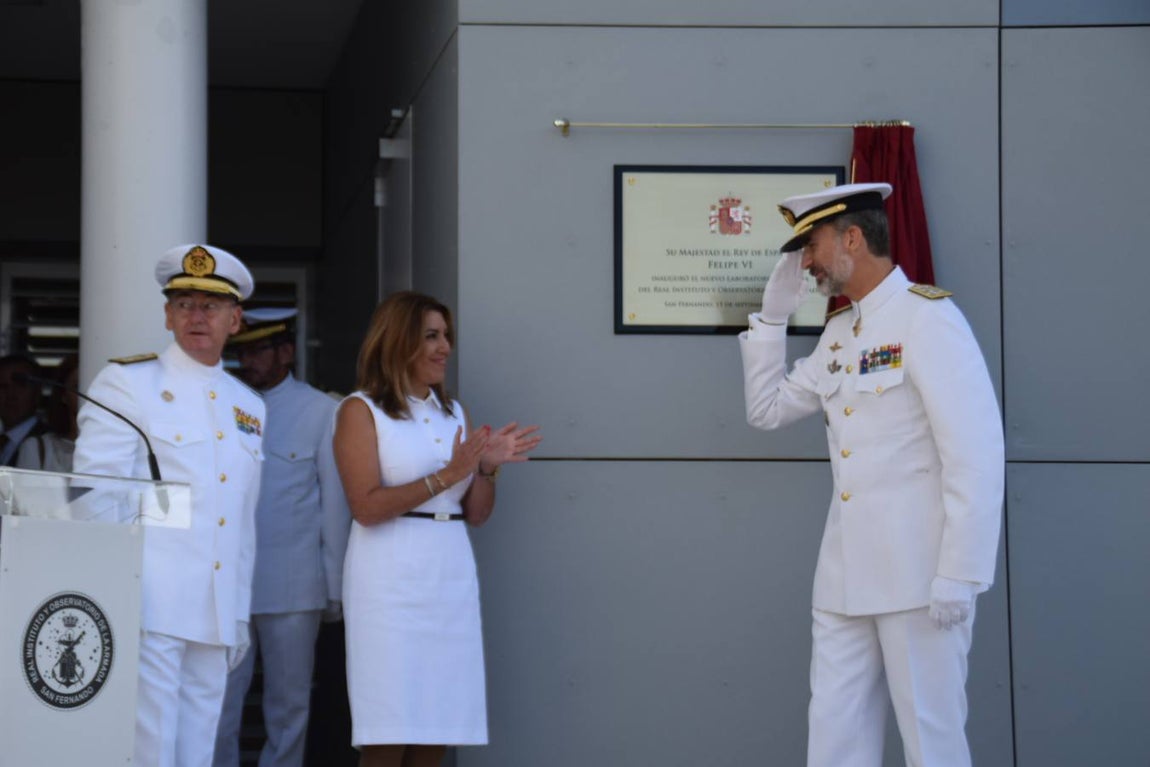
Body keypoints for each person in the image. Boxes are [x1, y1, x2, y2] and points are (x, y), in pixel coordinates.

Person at [739, 183, 1004, 767]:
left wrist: (961, 572)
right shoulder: (840, 332)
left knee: (931, 741)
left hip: (918, 577)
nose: (804, 261)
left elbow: (975, 453)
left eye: (811, 245)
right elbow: (766, 412)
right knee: (834, 737)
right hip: (842, 576)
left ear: (852, 238)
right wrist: (772, 319)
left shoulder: (928, 319)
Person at [73, 243, 265, 767]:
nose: (196, 316)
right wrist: (112, 595)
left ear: (236, 319)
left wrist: (239, 612)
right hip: (149, 602)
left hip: (215, 607)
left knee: (198, 749)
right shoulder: (128, 383)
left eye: (210, 306)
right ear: (167, 314)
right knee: (148, 748)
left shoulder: (248, 405)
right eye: (184, 304)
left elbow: (241, 518)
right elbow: (96, 495)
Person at [333, 291, 541, 767]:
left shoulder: (454, 413)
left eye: (446, 336)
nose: (444, 346)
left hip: (448, 575)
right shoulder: (360, 410)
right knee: (389, 729)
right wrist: (449, 473)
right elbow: (365, 507)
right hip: (388, 581)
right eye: (431, 336)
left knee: (438, 727)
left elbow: (477, 514)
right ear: (398, 340)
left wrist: (486, 468)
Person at [214, 307, 351, 767]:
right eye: (242, 352)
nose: (247, 361)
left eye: (258, 350)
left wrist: (333, 589)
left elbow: (334, 507)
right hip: (228, 585)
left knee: (289, 707)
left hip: (293, 586)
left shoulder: (321, 410)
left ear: (286, 352)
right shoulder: (221, 401)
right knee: (218, 705)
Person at [16, 353, 80, 472]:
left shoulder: (115, 447)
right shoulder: (37, 448)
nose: (87, 393)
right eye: (77, 387)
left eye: (93, 386)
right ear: (63, 395)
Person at [0, 354, 46, 466]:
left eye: (21, 385)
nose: (11, 395)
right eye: (3, 386)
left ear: (37, 392)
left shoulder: (48, 444)